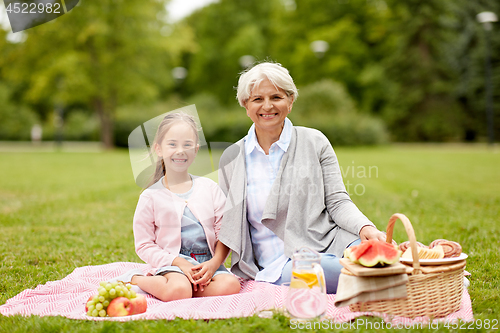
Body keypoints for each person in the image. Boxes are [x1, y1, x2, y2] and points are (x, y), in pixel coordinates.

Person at [217, 62, 388, 294]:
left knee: (376, 257)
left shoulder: (315, 141)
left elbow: (337, 201)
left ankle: (395, 272)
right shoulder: (232, 158)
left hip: (331, 240)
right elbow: (225, 222)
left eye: (276, 97)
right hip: (280, 262)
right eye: (257, 99)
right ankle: (390, 279)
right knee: (333, 271)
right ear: (245, 105)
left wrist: (364, 227)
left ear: (290, 101)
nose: (267, 106)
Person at [114, 112, 241, 302]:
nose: (180, 150)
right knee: (178, 290)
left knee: (231, 285)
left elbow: (225, 233)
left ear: (196, 150)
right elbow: (144, 244)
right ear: (158, 149)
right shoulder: (151, 197)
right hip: (172, 265)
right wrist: (179, 262)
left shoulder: (210, 188)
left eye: (187, 145)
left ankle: (185, 289)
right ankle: (136, 279)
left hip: (207, 265)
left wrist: (214, 264)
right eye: (172, 144)